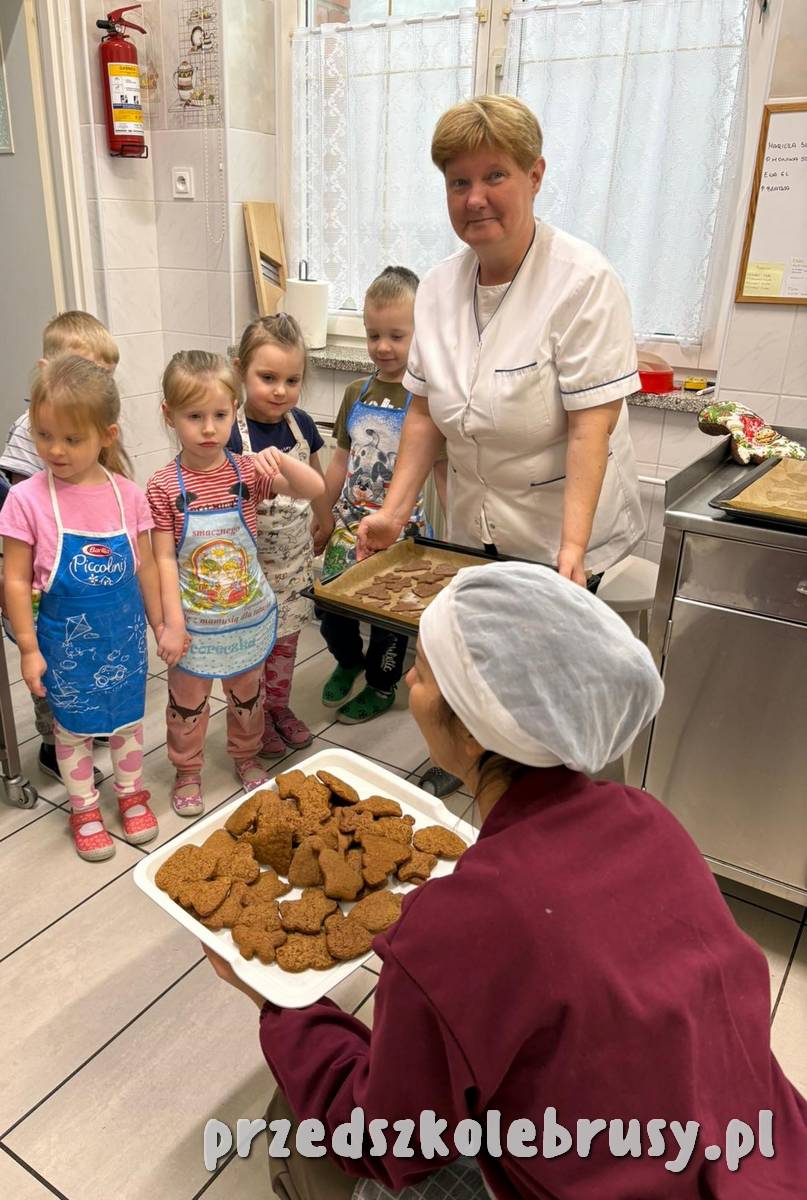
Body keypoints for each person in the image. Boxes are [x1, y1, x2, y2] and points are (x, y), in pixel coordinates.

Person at [204, 563, 807, 1199]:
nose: (407, 678)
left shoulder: (458, 924)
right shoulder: (650, 820)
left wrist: (276, 1003)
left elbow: (385, 1140)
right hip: (770, 1153)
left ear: (471, 729)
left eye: (424, 670)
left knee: (295, 1124)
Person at [357, 95, 644, 589]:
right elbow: (424, 414)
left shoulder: (583, 282)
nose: (475, 199)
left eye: (495, 176)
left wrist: (572, 549)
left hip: (559, 537)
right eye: (459, 182)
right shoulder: (437, 288)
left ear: (534, 176)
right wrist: (393, 513)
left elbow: (590, 428)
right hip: (472, 528)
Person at [0, 356, 164, 861]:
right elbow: (14, 579)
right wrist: (28, 648)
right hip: (63, 647)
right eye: (45, 435)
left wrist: (161, 623)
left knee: (127, 722)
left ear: (106, 435)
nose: (55, 449)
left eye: (72, 439)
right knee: (71, 731)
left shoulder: (128, 496)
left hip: (123, 639)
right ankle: (84, 807)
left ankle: (131, 793)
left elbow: (147, 569)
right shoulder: (26, 501)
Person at [147, 351, 324, 815]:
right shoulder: (163, 487)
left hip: (247, 617)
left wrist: (278, 461)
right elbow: (162, 559)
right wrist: (170, 624)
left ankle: (246, 757)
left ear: (234, 411)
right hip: (194, 624)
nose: (209, 429)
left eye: (220, 415)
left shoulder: (247, 473)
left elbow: (313, 489)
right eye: (194, 416)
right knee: (187, 706)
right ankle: (188, 770)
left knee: (248, 698)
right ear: (169, 415)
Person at [312, 266, 446, 727]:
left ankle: (381, 684)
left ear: (421, 334)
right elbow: (339, 460)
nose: (383, 347)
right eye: (373, 335)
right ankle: (348, 659)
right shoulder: (356, 392)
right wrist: (323, 514)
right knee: (330, 604)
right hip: (349, 525)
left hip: (403, 534)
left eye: (396, 335)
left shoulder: (428, 400)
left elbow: (441, 470)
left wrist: (449, 541)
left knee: (388, 618)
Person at [0, 310, 119, 789]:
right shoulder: (31, 434)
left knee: (85, 656)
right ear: (47, 370)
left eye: (104, 379)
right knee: (51, 669)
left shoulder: (93, 430)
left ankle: (83, 721)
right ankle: (54, 744)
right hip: (42, 583)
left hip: (84, 582)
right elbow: (25, 512)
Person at [228, 314, 333, 758]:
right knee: (253, 650)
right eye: (267, 378)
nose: (280, 391)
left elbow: (316, 476)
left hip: (293, 564)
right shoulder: (229, 431)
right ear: (240, 370)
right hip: (250, 569)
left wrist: (325, 518)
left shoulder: (301, 424)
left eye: (292, 380)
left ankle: (278, 708)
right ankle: (253, 720)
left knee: (286, 644)